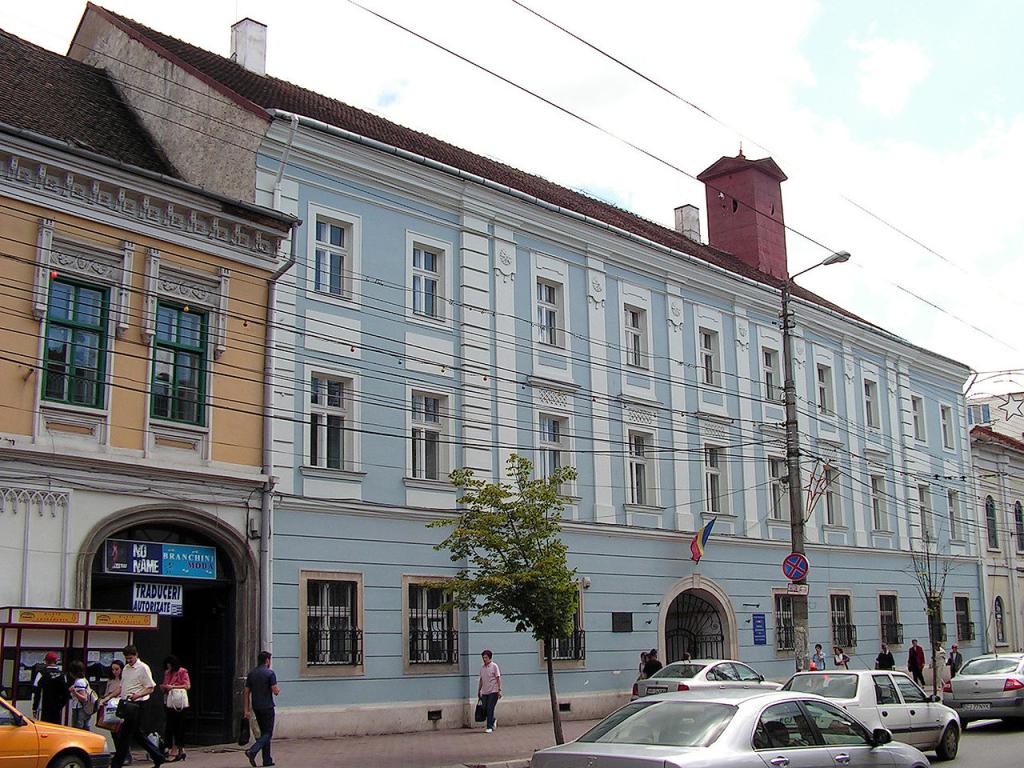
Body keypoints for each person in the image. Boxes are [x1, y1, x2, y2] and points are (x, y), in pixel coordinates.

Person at [112, 645, 166, 768]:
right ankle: (158, 756)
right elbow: (122, 686)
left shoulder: (143, 668)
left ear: (136, 655)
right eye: (127, 659)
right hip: (127, 704)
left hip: (138, 704)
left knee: (124, 735)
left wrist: (138, 695)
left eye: (131, 658)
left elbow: (150, 687)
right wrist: (109, 697)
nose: (129, 661)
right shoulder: (125, 668)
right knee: (137, 734)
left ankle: (116, 763)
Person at [244, 651, 279, 767]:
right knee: (268, 733)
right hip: (267, 707)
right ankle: (252, 751)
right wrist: (277, 690)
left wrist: (246, 710)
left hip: (256, 707)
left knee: (264, 733)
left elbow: (246, 692)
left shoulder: (252, 673)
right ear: (267, 661)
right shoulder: (270, 673)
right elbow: (275, 691)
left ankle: (267, 759)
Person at [100, 660, 132, 765]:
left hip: (121, 708)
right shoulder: (110, 680)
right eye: (113, 669)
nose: (115, 671)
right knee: (113, 733)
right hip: (111, 709)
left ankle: (126, 755)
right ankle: (119, 754)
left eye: (117, 669)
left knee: (121, 733)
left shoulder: (124, 680)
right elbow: (106, 693)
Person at [161, 655, 190, 762]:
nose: (169, 667)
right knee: (170, 726)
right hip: (169, 701)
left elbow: (187, 685)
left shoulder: (182, 672)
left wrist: (173, 687)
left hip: (179, 702)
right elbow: (165, 684)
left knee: (179, 726)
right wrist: (164, 687)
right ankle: (177, 749)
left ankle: (177, 748)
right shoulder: (167, 673)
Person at [32, 651, 69, 724]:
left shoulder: (41, 673)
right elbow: (66, 694)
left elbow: (37, 692)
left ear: (46, 661)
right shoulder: (62, 675)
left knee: (44, 727)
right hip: (56, 708)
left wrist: (34, 708)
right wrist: (60, 706)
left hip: (43, 708)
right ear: (56, 661)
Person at [477, 649, 502, 734]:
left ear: (489, 658)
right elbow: (481, 680)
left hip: (493, 691)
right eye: (483, 658)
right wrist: (479, 690)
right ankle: (493, 719)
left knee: (490, 708)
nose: (484, 659)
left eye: (486, 657)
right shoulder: (482, 668)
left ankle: (489, 727)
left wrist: (499, 689)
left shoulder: (494, 666)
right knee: (484, 708)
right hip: (484, 691)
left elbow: (498, 678)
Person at [68, 660, 93, 730]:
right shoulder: (84, 680)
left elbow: (84, 698)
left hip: (79, 709)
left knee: (78, 729)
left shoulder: (79, 682)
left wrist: (74, 692)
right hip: (85, 709)